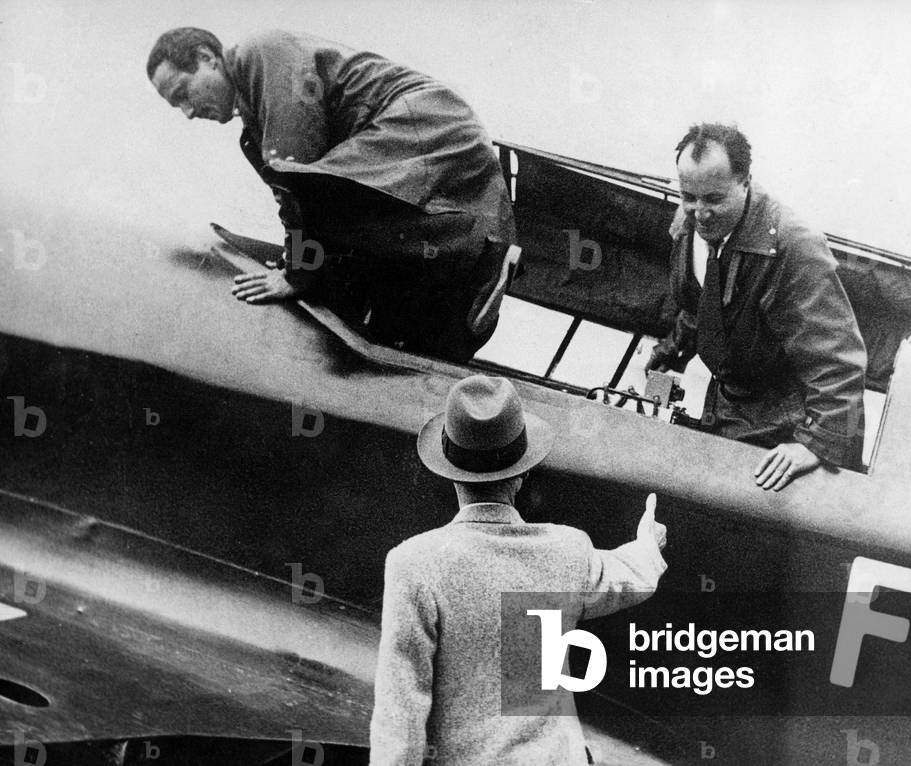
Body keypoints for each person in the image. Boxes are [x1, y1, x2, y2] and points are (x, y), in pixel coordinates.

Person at [147, 28, 515, 362]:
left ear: (207, 58)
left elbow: (296, 178)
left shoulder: (260, 54)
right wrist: (299, 262)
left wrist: (295, 274)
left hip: (425, 126)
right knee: (352, 272)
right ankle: (461, 291)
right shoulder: (251, 117)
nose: (188, 112)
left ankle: (482, 261)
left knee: (323, 205)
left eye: (183, 93)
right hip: (418, 138)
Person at [370, 375, 667, 765]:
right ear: (524, 472)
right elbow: (631, 576)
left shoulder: (413, 564)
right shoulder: (567, 549)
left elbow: (400, 718)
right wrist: (649, 543)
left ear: (450, 473)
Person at [646, 123, 867, 491]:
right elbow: (701, 299)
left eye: (714, 199)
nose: (701, 213)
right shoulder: (690, 223)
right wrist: (672, 349)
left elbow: (838, 360)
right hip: (730, 396)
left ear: (745, 182)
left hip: (785, 421)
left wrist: (815, 443)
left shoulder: (794, 246)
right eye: (689, 197)